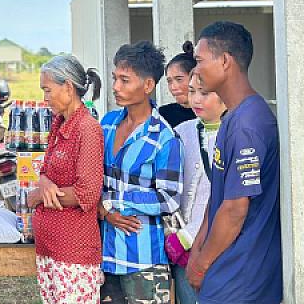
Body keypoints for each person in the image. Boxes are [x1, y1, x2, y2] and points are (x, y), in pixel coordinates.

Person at [188, 21, 281, 304]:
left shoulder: (248, 124)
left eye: (200, 60)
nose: (196, 70)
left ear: (225, 61)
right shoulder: (233, 118)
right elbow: (218, 197)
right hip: (225, 271)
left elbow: (235, 210)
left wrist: (202, 263)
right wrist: (197, 251)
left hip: (242, 280)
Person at [99, 41, 183, 304]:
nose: (115, 87)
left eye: (125, 80)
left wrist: (114, 203)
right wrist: (104, 213)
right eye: (115, 78)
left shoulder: (165, 138)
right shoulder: (107, 125)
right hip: (105, 254)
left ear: (148, 86)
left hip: (144, 261)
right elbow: (92, 179)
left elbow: (168, 198)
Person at [28, 55, 104, 304]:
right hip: (50, 249)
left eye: (47, 90)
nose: (45, 97)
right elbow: (47, 173)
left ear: (68, 87)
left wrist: (40, 194)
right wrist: (44, 183)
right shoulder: (60, 124)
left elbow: (88, 193)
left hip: (73, 253)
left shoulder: (87, 129)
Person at [164, 70, 226, 304]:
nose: (196, 99)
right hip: (182, 249)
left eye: (204, 93)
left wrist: (189, 236)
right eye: (192, 92)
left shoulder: (233, 133)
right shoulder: (181, 132)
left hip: (217, 246)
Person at [159, 42, 198, 128]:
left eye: (179, 79)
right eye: (169, 81)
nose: (173, 87)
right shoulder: (163, 115)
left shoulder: (210, 112)